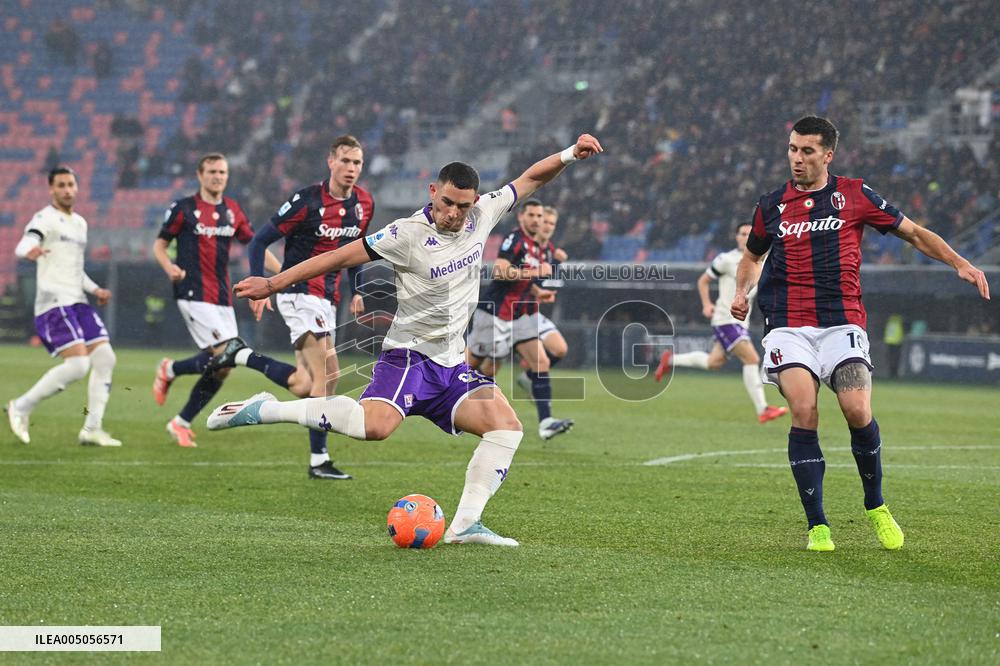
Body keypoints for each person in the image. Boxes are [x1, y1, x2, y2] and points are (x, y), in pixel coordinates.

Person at [208, 133, 603, 546]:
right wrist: (273, 282)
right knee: (374, 428)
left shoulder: (483, 213)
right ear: (433, 191)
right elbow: (339, 256)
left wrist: (570, 155)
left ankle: (466, 524)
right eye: (447, 202)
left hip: (452, 365)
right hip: (409, 358)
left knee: (507, 428)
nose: (454, 213)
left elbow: (531, 179)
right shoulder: (406, 233)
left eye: (463, 206)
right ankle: (267, 409)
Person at [731, 116, 990, 553]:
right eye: (793, 149)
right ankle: (818, 526)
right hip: (787, 324)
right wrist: (742, 290)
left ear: (827, 155)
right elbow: (752, 257)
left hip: (841, 322)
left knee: (856, 409)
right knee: (804, 409)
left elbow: (913, 233)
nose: (797, 158)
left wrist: (959, 262)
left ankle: (876, 505)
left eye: (807, 151)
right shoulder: (771, 205)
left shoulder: (854, 194)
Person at [224, 135, 374, 480]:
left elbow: (356, 250)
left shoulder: (364, 203)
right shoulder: (306, 201)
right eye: (345, 161)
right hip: (299, 292)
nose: (351, 169)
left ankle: (244, 357)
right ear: (330, 162)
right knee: (329, 377)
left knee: (306, 385)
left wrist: (358, 289)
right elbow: (259, 240)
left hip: (328, 297)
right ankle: (319, 461)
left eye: (357, 163)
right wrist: (258, 286)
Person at [152, 153, 292, 448]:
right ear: (200, 175)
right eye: (212, 171)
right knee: (227, 351)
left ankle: (178, 405)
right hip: (192, 291)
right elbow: (159, 245)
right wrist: (170, 268)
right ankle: (175, 387)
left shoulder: (232, 211)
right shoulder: (183, 208)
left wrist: (282, 275)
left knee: (223, 365)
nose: (218, 176)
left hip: (220, 294)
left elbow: (254, 244)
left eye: (222, 172)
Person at [6, 167, 121, 447]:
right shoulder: (45, 218)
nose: (68, 190)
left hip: (78, 302)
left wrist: (95, 290)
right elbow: (25, 242)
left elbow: (74, 268)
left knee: (105, 359)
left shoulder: (80, 223)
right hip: (54, 303)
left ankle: (91, 429)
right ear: (51, 189)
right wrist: (28, 250)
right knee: (79, 365)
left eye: (71, 184)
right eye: (61, 185)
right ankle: (21, 406)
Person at [654, 222, 788, 424]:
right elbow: (703, 280)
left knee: (714, 362)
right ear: (736, 237)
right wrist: (707, 304)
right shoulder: (727, 260)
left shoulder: (763, 260)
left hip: (740, 322)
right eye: (742, 234)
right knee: (751, 359)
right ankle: (763, 409)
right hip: (726, 319)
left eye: (750, 234)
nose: (745, 237)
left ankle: (670, 360)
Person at [467, 200, 573, 441]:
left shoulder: (542, 249)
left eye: (540, 216)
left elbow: (526, 282)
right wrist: (535, 273)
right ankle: (443, 393)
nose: (537, 220)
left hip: (519, 317)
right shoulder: (515, 240)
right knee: (473, 364)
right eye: (533, 215)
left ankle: (546, 422)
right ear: (522, 218)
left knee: (541, 361)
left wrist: (538, 292)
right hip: (494, 313)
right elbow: (500, 271)